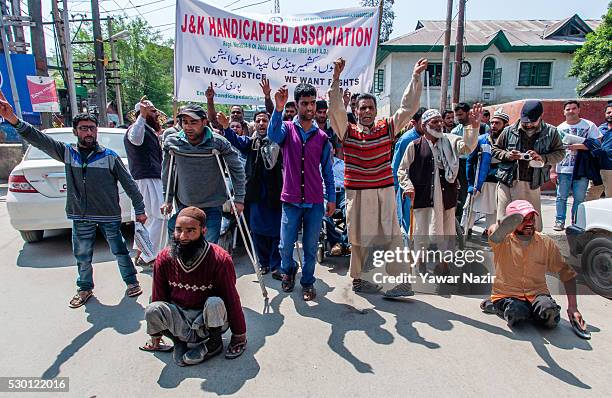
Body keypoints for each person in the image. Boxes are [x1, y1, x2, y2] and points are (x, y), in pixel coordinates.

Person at [0, 90, 146, 308]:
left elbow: (130, 185)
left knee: (120, 250)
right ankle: (85, 288)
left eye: (92, 128)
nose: (89, 132)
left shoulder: (110, 157)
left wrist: (140, 209)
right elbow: (39, 139)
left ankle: (132, 282)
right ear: (75, 132)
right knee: (82, 254)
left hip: (109, 215)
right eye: (84, 128)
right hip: (81, 215)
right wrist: (13, 119)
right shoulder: (68, 153)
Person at [329, 57, 427, 297]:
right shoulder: (346, 131)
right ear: (355, 111)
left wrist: (415, 78)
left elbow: (408, 109)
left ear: (375, 110)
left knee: (392, 236)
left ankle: (401, 283)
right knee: (359, 238)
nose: (366, 112)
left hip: (383, 191)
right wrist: (336, 78)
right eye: (362, 108)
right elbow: (335, 110)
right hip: (358, 193)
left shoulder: (388, 127)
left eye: (370, 108)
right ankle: (359, 280)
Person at [140, 207, 247, 365]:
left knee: (215, 302)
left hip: (208, 321)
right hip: (180, 319)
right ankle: (179, 341)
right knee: (153, 307)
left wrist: (239, 336)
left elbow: (231, 299)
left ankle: (214, 344)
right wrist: (156, 337)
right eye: (179, 230)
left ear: (203, 231)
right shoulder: (164, 258)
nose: (183, 236)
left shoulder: (220, 259)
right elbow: (159, 295)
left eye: (190, 231)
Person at [268, 83, 336, 301]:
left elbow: (328, 171)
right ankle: (289, 270)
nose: (309, 107)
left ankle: (307, 282)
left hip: (315, 201)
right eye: (304, 103)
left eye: (312, 103)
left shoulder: (323, 137)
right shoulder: (287, 129)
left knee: (310, 248)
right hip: (291, 199)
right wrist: (278, 109)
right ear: (296, 105)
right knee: (284, 246)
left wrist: (331, 198)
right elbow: (272, 134)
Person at [481, 200, 588, 335]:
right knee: (517, 313)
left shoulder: (545, 242)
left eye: (532, 218)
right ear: (512, 223)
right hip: (507, 295)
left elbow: (566, 273)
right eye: (524, 220)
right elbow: (492, 232)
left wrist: (573, 308)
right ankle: (497, 305)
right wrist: (500, 226)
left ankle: (530, 310)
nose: (530, 223)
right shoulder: (502, 240)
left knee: (550, 315)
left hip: (537, 293)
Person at [397, 108, 479, 270]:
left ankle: (444, 265)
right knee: (421, 232)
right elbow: (402, 170)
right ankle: (419, 262)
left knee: (446, 233)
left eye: (440, 121)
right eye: (434, 122)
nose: (439, 125)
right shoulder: (415, 146)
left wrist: (473, 127)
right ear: (424, 125)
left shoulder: (451, 141)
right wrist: (408, 186)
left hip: (446, 198)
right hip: (423, 197)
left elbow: (467, 148)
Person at [161, 104, 246, 244]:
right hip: (185, 204)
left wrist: (239, 199)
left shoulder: (218, 143)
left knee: (206, 250)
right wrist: (167, 199)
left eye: (193, 122)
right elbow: (166, 171)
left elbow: (237, 169)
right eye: (185, 122)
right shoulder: (173, 142)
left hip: (211, 206)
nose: (188, 127)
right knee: (180, 246)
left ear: (204, 122)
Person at [219, 110, 283, 280]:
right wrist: (226, 126)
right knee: (257, 230)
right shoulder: (250, 142)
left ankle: (276, 265)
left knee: (276, 231)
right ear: (254, 124)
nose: (262, 123)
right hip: (255, 195)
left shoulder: (278, 142)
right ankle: (263, 263)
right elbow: (234, 140)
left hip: (275, 194)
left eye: (265, 120)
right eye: (259, 121)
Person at [492, 100, 565, 231]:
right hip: (508, 181)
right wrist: (508, 155)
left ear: (541, 116)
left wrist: (542, 158)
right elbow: (495, 150)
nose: (528, 125)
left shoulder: (551, 132)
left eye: (532, 122)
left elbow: (560, 153)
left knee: (531, 224)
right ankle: (505, 249)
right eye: (525, 122)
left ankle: (530, 250)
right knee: (504, 223)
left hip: (533, 183)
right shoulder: (509, 131)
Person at [124, 99, 165, 266]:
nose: (155, 115)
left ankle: (143, 252)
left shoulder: (149, 131)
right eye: (152, 112)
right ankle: (149, 256)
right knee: (159, 217)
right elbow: (135, 139)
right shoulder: (136, 129)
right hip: (146, 180)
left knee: (147, 219)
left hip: (151, 178)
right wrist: (142, 114)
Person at [553, 100, 602, 230]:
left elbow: (597, 144)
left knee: (579, 198)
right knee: (561, 197)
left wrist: (578, 146)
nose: (571, 111)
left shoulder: (589, 125)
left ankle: (575, 222)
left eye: (574, 108)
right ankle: (559, 221)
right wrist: (552, 170)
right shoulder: (559, 128)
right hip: (563, 168)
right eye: (568, 109)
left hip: (582, 168)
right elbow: (553, 150)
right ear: (564, 112)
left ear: (579, 110)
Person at [463, 110, 510, 236]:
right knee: (470, 207)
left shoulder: (509, 142)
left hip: (499, 181)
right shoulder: (481, 140)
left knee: (494, 210)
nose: (494, 125)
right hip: (481, 180)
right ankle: (465, 230)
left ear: (505, 125)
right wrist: (470, 183)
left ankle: (490, 231)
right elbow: (470, 161)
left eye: (497, 123)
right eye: (492, 122)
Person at [392, 107, 427, 238]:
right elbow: (396, 168)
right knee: (410, 224)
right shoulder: (406, 140)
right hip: (409, 189)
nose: (427, 125)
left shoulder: (432, 138)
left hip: (426, 188)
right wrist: (395, 189)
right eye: (424, 122)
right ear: (414, 123)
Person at [451, 103, 490, 221]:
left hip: (479, 164)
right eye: (456, 115)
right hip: (462, 165)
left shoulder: (483, 128)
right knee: (464, 193)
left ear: (468, 113)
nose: (459, 118)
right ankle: (465, 222)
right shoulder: (455, 132)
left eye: (461, 114)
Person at [325, 142, 350, 256]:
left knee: (350, 210)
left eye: (329, 149)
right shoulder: (317, 165)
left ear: (334, 150)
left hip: (341, 193)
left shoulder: (342, 164)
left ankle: (345, 242)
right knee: (323, 213)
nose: (327, 150)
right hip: (324, 193)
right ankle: (336, 242)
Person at [588, 104, 612, 196]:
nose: (610, 114)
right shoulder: (600, 129)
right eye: (608, 112)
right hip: (597, 168)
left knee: (610, 197)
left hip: (610, 169)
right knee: (591, 196)